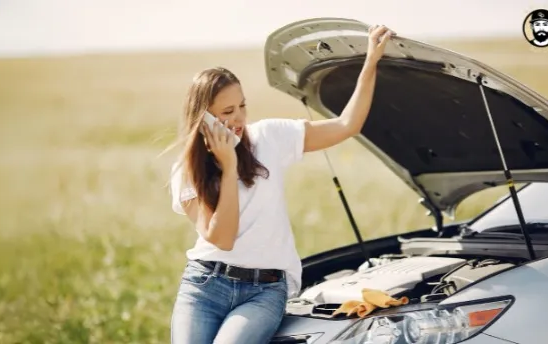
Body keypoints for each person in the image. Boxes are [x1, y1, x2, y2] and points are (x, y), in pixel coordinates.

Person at [168, 24, 394, 344]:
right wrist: (229, 168)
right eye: (227, 112)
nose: (239, 118)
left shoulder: (269, 137)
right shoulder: (187, 169)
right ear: (203, 118)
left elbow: (347, 125)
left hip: (263, 292)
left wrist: (371, 60)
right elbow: (222, 237)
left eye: (242, 106)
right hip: (204, 286)